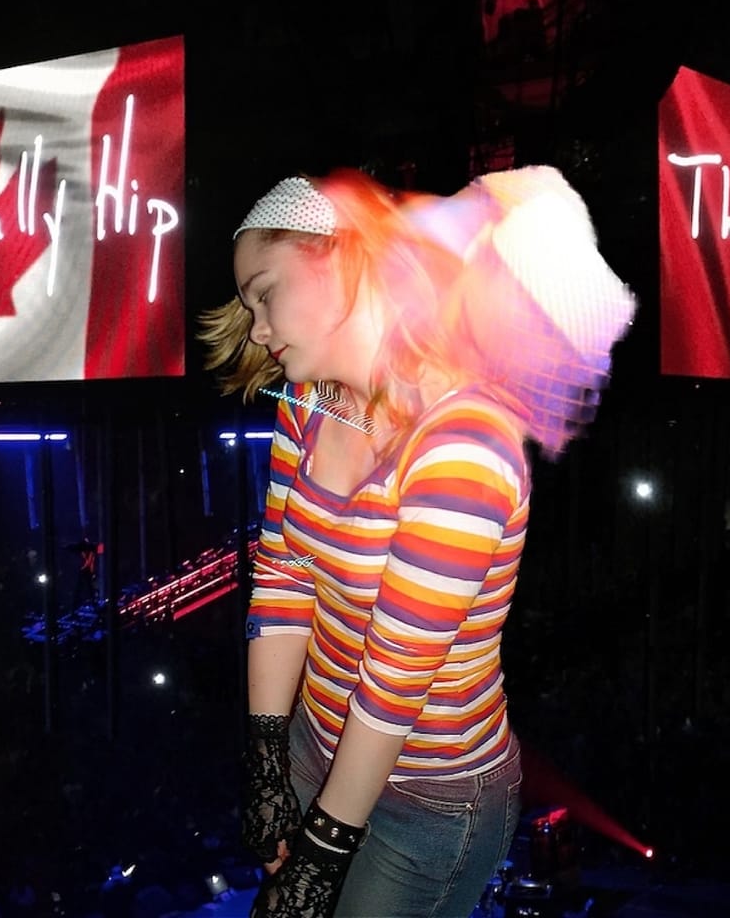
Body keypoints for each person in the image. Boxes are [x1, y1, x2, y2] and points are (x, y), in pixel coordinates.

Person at [198, 166, 634, 918]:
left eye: (265, 293)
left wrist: (324, 847)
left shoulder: (465, 442)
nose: (260, 330)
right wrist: (268, 753)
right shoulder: (306, 402)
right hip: (316, 743)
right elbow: (283, 575)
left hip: (429, 800)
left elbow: (394, 680)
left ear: (338, 254)